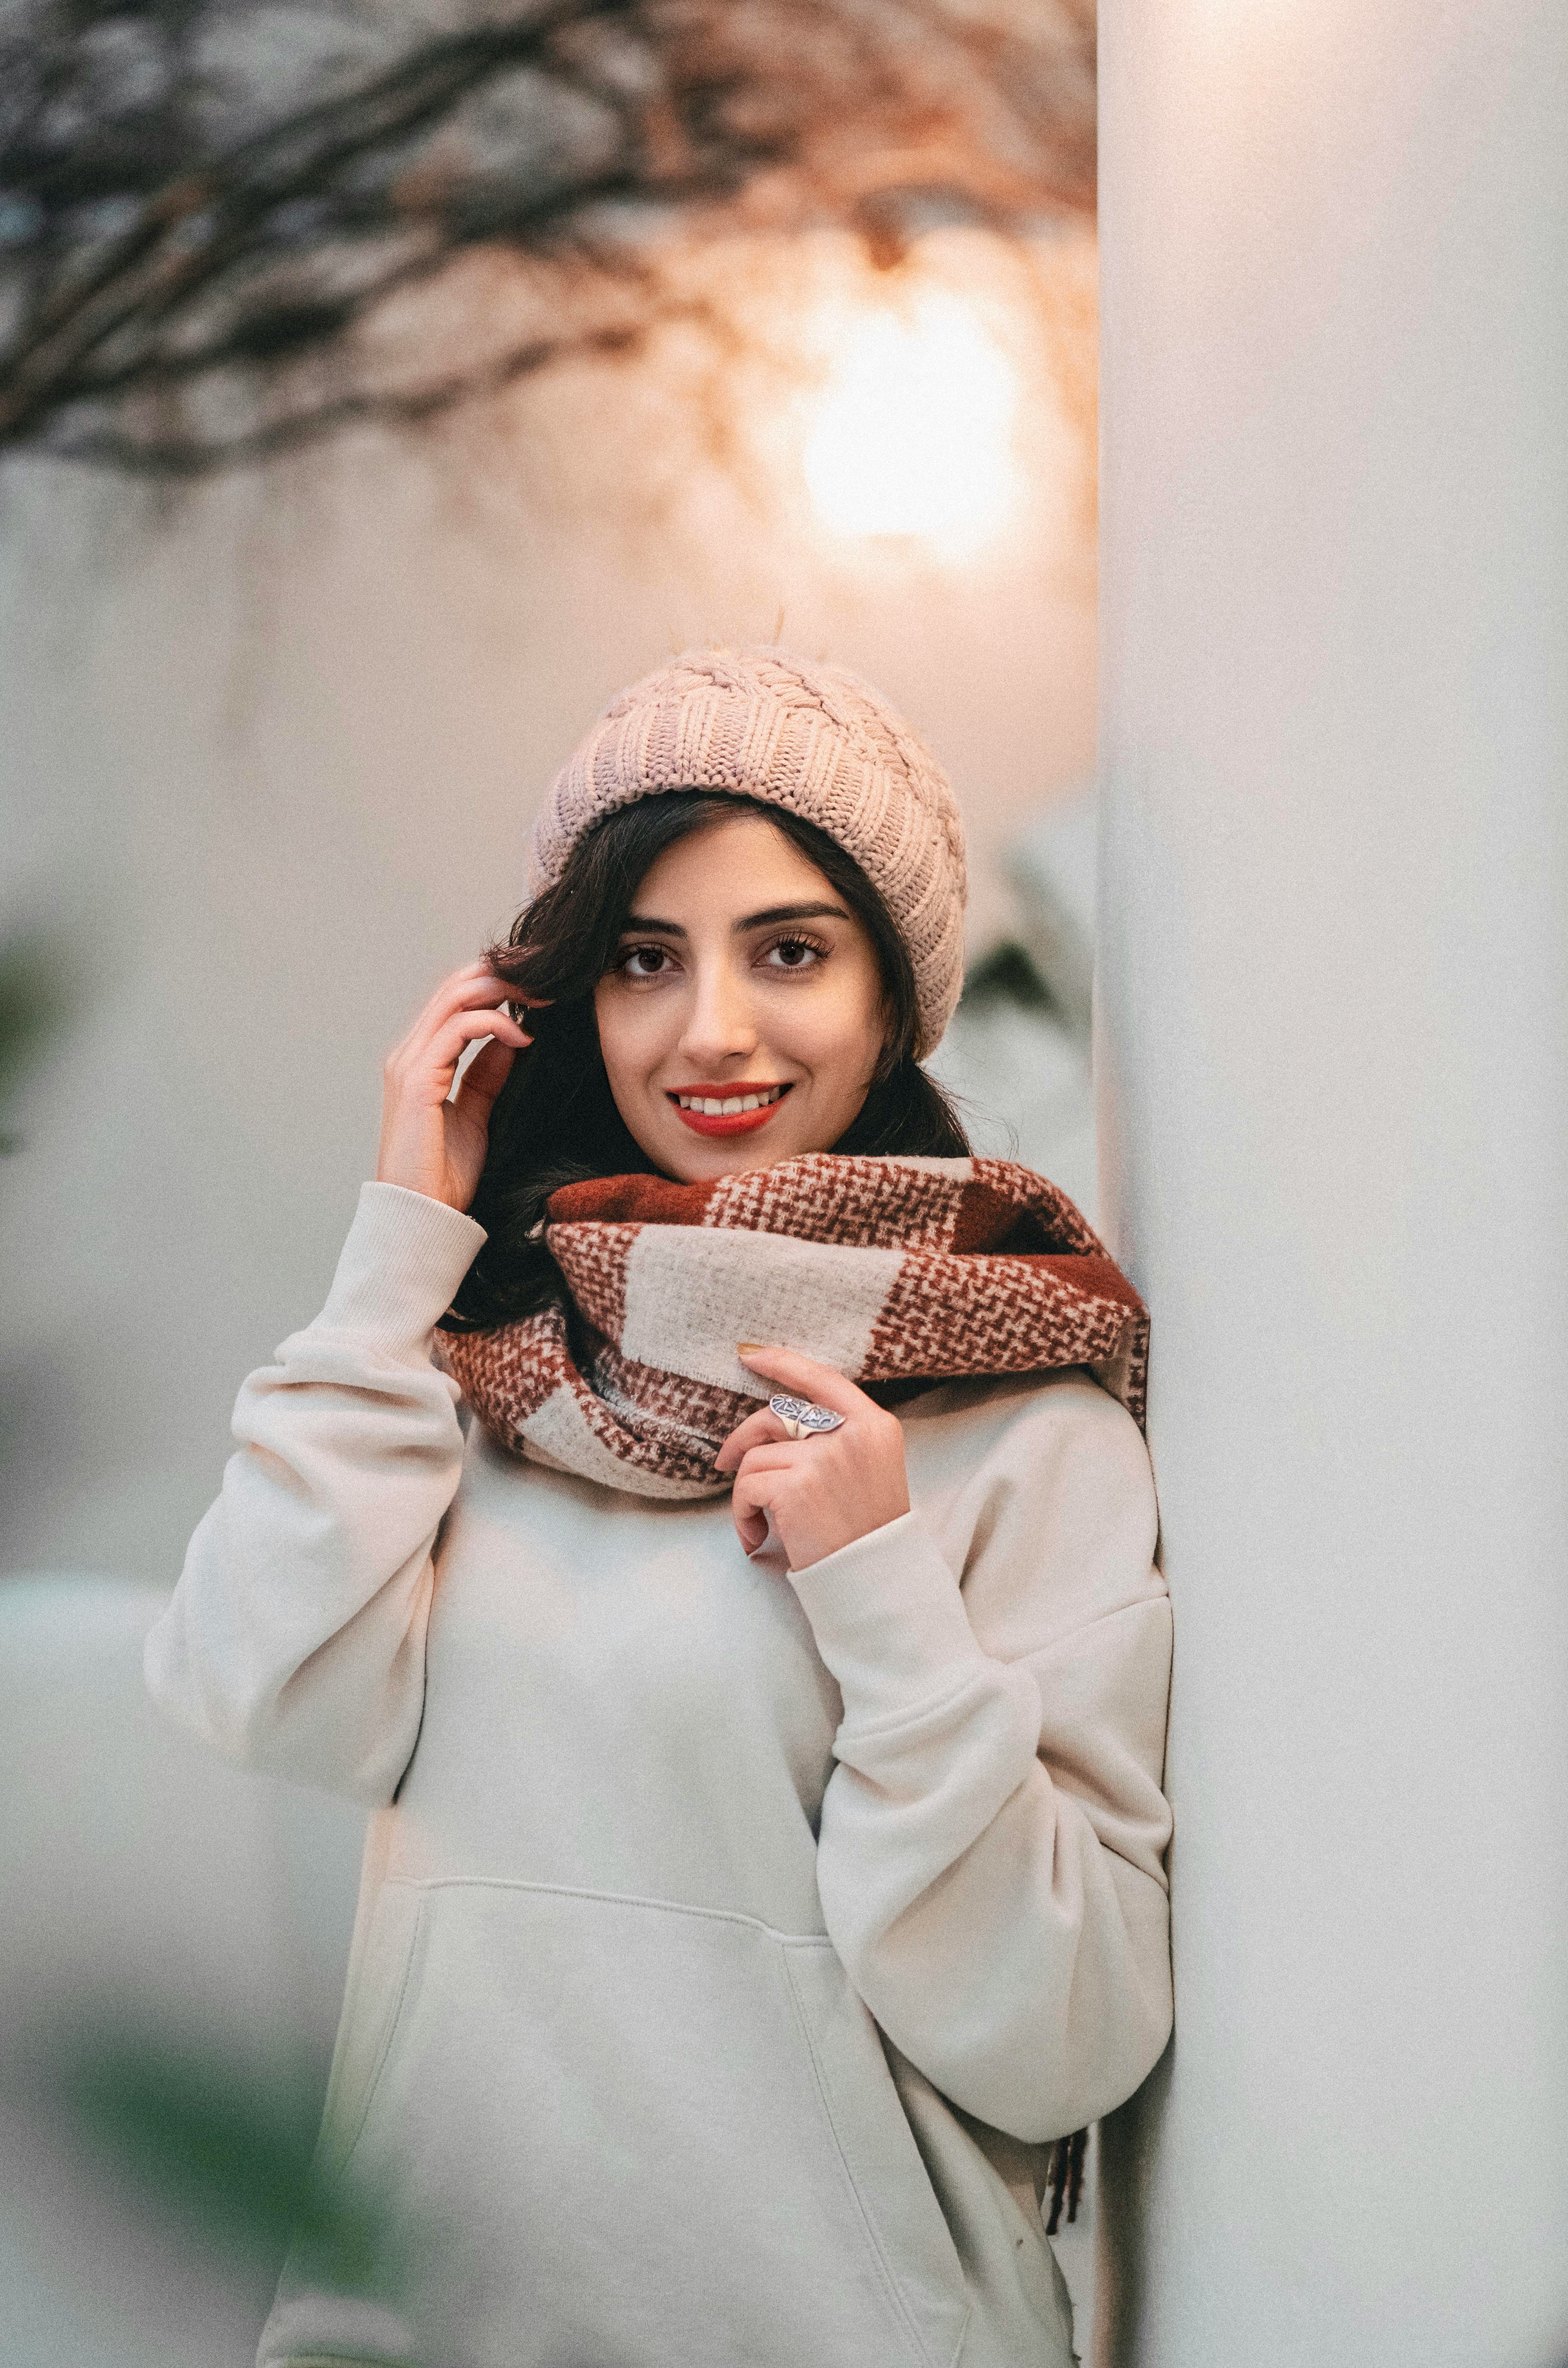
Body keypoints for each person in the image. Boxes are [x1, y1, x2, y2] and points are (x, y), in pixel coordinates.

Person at [146, 648, 1173, 2368]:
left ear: (889, 996)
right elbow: (251, 1689)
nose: (710, 1029)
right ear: (569, 1001)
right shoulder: (480, 1373)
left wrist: (883, 1595)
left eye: (788, 949)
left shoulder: (1025, 1417)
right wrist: (404, 1239)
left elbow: (1064, 2038)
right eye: (644, 959)